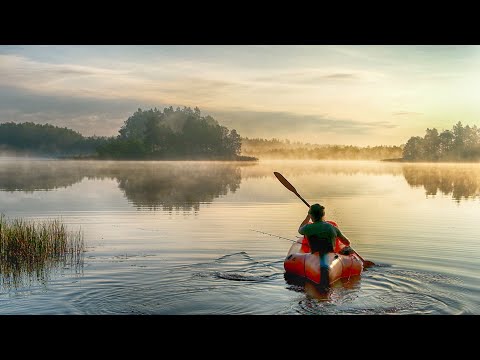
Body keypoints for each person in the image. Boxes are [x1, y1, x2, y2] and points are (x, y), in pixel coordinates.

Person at [298, 203, 352, 288]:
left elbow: (300, 229)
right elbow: (347, 243)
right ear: (323, 214)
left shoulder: (307, 228)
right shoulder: (332, 227)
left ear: (311, 215)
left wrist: (307, 216)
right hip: (330, 254)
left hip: (315, 253)